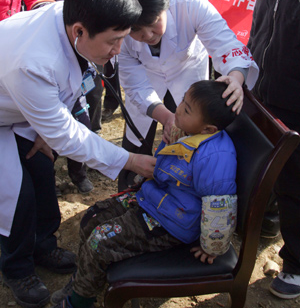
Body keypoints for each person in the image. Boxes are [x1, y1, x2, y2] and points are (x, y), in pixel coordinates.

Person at [0, 0, 156, 308]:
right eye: (113, 42)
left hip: (23, 107)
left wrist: (46, 129)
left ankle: (43, 245)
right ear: (79, 31)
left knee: (41, 173)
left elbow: (63, 94)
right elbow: (65, 132)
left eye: (123, 40)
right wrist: (129, 159)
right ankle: (16, 268)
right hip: (5, 111)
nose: (116, 52)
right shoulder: (33, 61)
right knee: (16, 195)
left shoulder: (73, 17)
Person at [50, 79, 237, 308]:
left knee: (99, 242)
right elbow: (165, 167)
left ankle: (79, 301)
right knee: (91, 218)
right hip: (154, 200)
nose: (178, 109)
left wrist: (212, 246)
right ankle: (83, 281)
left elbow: (219, 205)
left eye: (186, 109)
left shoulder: (215, 157)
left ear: (208, 129)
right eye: (182, 101)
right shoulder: (187, 131)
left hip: (172, 223)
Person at [115, 0, 258, 176]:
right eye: (135, 30)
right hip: (147, 79)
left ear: (166, 5)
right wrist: (166, 118)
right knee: (137, 143)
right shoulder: (119, 25)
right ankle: (130, 192)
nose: (147, 35)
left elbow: (225, 43)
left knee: (189, 143)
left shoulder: (188, 3)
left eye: (153, 22)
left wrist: (236, 78)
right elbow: (134, 84)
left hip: (186, 76)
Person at [26, 0, 117, 193]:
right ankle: (46, 165)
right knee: (48, 102)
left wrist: (64, 7)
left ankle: (79, 170)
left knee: (87, 102)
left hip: (88, 42)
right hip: (49, 44)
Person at [247, 0, 300, 300]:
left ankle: (297, 266)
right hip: (262, 97)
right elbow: (259, 31)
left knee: (296, 187)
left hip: (296, 107)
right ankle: (262, 230)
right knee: (265, 176)